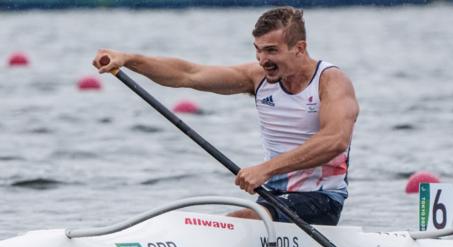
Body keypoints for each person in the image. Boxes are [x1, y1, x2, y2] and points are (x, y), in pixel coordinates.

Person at [93, 6, 359, 225]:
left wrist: (265, 169)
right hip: (274, 198)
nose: (261, 59)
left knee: (236, 223)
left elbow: (335, 140)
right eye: (258, 49)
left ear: (299, 48)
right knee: (236, 223)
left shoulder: (331, 81)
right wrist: (128, 59)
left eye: (271, 50)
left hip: (322, 199)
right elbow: (189, 74)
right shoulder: (258, 78)